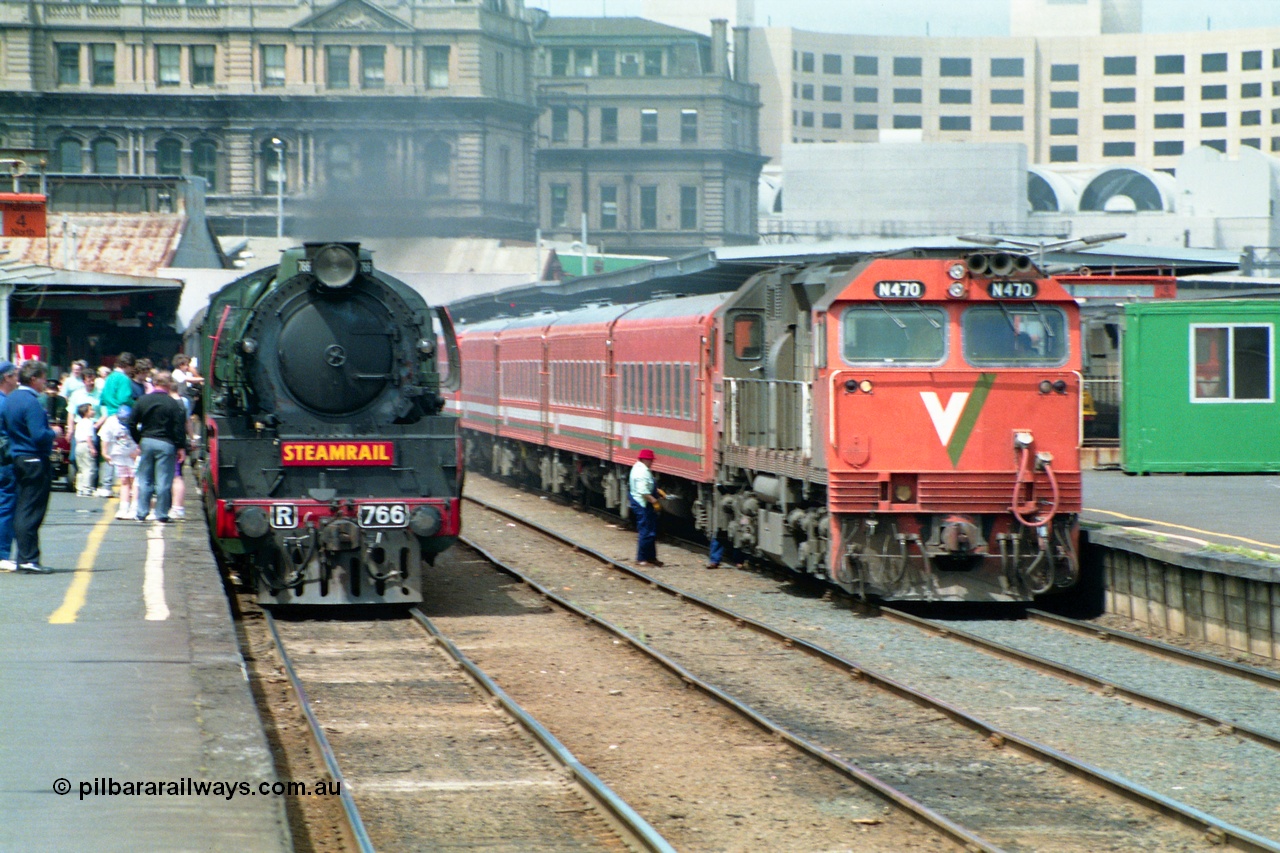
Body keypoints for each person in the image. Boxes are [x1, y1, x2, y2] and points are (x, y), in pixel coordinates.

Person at [2, 361, 56, 573]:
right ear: (33, 379)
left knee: (23, 507)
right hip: (34, 459)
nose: (44, 383)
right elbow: (39, 435)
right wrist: (54, 433)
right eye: (43, 378)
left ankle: (25, 557)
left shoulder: (11, 399)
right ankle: (28, 558)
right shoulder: (31, 402)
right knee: (32, 511)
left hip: (17, 457)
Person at [129, 370, 188, 524]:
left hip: (147, 441)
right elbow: (179, 428)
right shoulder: (173, 404)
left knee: (145, 479)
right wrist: (181, 447)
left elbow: (131, 423)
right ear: (169, 385)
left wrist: (139, 440)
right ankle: (161, 514)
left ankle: (141, 513)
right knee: (163, 481)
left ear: (154, 383)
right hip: (166, 444)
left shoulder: (143, 400)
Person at [97, 353, 136, 497]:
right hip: (121, 417)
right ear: (127, 365)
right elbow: (124, 398)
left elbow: (102, 398)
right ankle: (130, 487)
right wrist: (136, 404)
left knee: (109, 452)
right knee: (127, 452)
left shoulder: (110, 377)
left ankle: (106, 485)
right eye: (132, 367)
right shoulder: (124, 378)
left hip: (109, 415)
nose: (132, 370)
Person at [99, 404, 138, 520]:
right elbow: (105, 437)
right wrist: (104, 452)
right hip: (119, 454)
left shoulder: (136, 421)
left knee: (135, 481)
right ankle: (123, 507)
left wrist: (138, 451)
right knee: (124, 480)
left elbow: (143, 436)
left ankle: (134, 507)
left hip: (133, 455)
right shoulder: (111, 422)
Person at [628, 448, 663, 567]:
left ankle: (651, 557)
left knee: (651, 531)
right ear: (644, 459)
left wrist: (657, 491)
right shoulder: (642, 472)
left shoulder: (640, 468)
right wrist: (655, 501)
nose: (652, 462)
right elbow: (643, 491)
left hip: (642, 503)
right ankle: (642, 559)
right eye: (650, 460)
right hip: (642, 504)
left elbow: (646, 486)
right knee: (646, 531)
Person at [0, 362, 19, 572]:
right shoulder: (5, 404)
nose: (17, 379)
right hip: (5, 460)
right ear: (6, 377)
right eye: (14, 376)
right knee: (6, 505)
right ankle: (2, 553)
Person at [72, 402, 97, 496]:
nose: (93, 411)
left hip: (79, 445)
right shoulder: (89, 423)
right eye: (91, 410)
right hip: (86, 445)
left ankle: (80, 488)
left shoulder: (79, 423)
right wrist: (92, 448)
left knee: (81, 468)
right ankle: (87, 488)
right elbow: (88, 437)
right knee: (89, 468)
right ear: (86, 412)